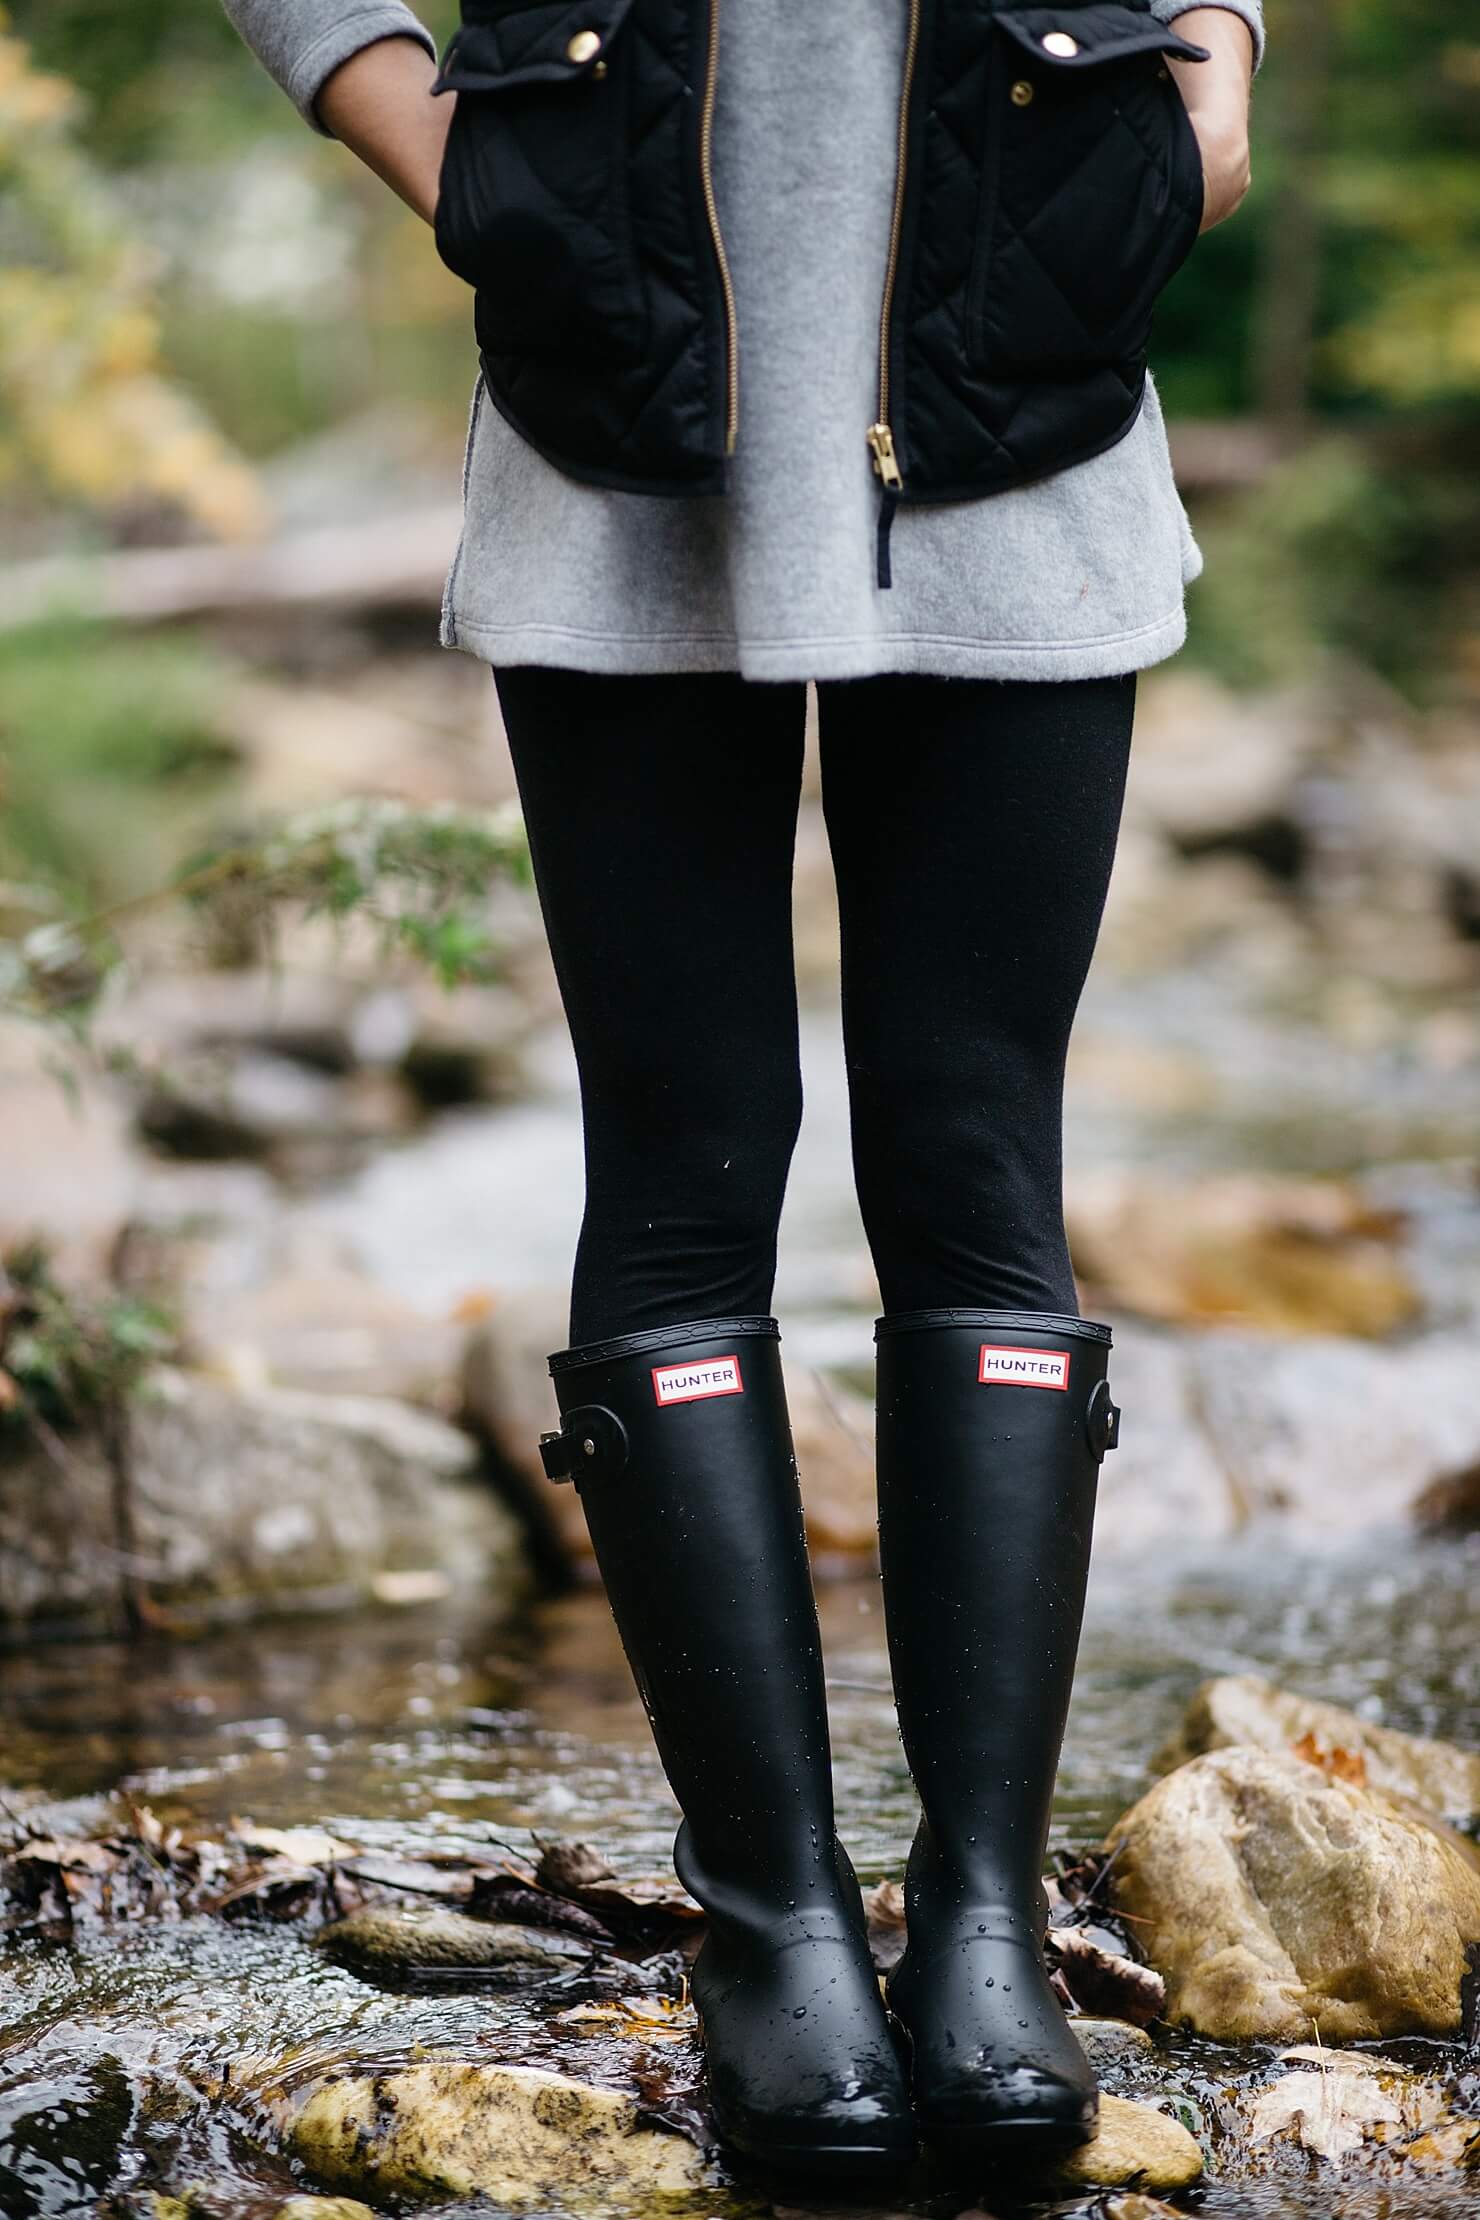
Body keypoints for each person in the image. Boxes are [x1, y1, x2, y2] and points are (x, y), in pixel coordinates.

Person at [226, 0, 1263, 2182]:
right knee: (683, 1164)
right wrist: (427, 130)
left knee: (974, 1157)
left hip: (1024, 369)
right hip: (622, 399)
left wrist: (1210, 67)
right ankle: (774, 1923)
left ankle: (984, 1920)